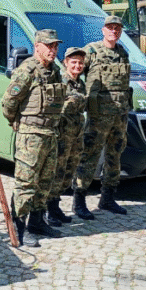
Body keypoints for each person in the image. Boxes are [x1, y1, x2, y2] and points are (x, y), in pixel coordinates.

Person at [1, 29, 65, 247]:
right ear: (37, 46)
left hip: (50, 134)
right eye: (49, 46)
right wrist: (17, 122)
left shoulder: (55, 71)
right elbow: (9, 102)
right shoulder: (27, 70)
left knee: (45, 182)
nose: (53, 50)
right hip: (31, 135)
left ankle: (37, 222)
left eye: (55, 46)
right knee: (26, 183)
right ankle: (18, 229)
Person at [73, 16, 131, 219]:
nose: (113, 31)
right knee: (89, 156)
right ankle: (79, 201)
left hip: (119, 115)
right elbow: (75, 71)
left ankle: (107, 198)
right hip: (99, 116)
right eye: (110, 28)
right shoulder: (91, 50)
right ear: (103, 30)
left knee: (114, 157)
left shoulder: (123, 53)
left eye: (117, 28)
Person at [46, 47, 87, 226]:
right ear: (65, 62)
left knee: (68, 173)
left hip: (75, 137)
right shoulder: (61, 81)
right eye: (74, 62)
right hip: (61, 137)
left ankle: (56, 206)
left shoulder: (80, 84)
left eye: (80, 63)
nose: (77, 65)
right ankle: (50, 209)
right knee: (57, 173)